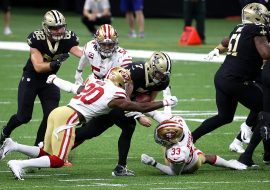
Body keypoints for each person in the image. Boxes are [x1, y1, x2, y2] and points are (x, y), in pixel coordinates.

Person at [0, 67, 178, 180]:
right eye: (126, 82)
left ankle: (13, 145)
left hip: (58, 112)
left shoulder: (96, 81)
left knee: (47, 152)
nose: (127, 85)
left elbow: (73, 88)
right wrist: (165, 102)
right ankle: (19, 164)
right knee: (58, 160)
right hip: (69, 118)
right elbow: (139, 106)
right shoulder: (116, 95)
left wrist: (55, 80)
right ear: (120, 82)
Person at [73, 51, 172, 176]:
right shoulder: (135, 72)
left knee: (90, 131)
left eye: (164, 74)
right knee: (127, 126)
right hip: (111, 99)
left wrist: (140, 107)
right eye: (159, 73)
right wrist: (139, 116)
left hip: (123, 104)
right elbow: (123, 99)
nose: (161, 77)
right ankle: (121, 167)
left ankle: (55, 146)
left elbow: (149, 101)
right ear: (151, 67)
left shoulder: (163, 81)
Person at [0, 10, 82, 147]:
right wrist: (55, 63)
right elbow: (38, 66)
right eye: (54, 28)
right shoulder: (37, 38)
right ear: (46, 27)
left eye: (61, 27)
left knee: (51, 115)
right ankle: (5, 132)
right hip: (31, 79)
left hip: (49, 80)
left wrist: (97, 53)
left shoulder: (68, 38)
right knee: (23, 117)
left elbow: (81, 53)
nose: (58, 31)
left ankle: (37, 147)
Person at [192, 3, 270, 145]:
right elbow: (266, 53)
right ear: (257, 17)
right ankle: (250, 138)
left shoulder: (239, 28)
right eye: (264, 16)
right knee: (265, 107)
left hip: (222, 77)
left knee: (225, 116)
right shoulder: (257, 29)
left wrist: (217, 49)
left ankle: (191, 137)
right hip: (237, 80)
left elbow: (225, 41)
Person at [141, 116, 247, 175]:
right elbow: (163, 119)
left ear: (172, 139)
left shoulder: (177, 152)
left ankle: (229, 164)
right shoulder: (181, 126)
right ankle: (229, 164)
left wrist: (153, 163)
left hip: (190, 166)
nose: (159, 137)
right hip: (187, 148)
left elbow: (174, 173)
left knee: (203, 158)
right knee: (205, 157)